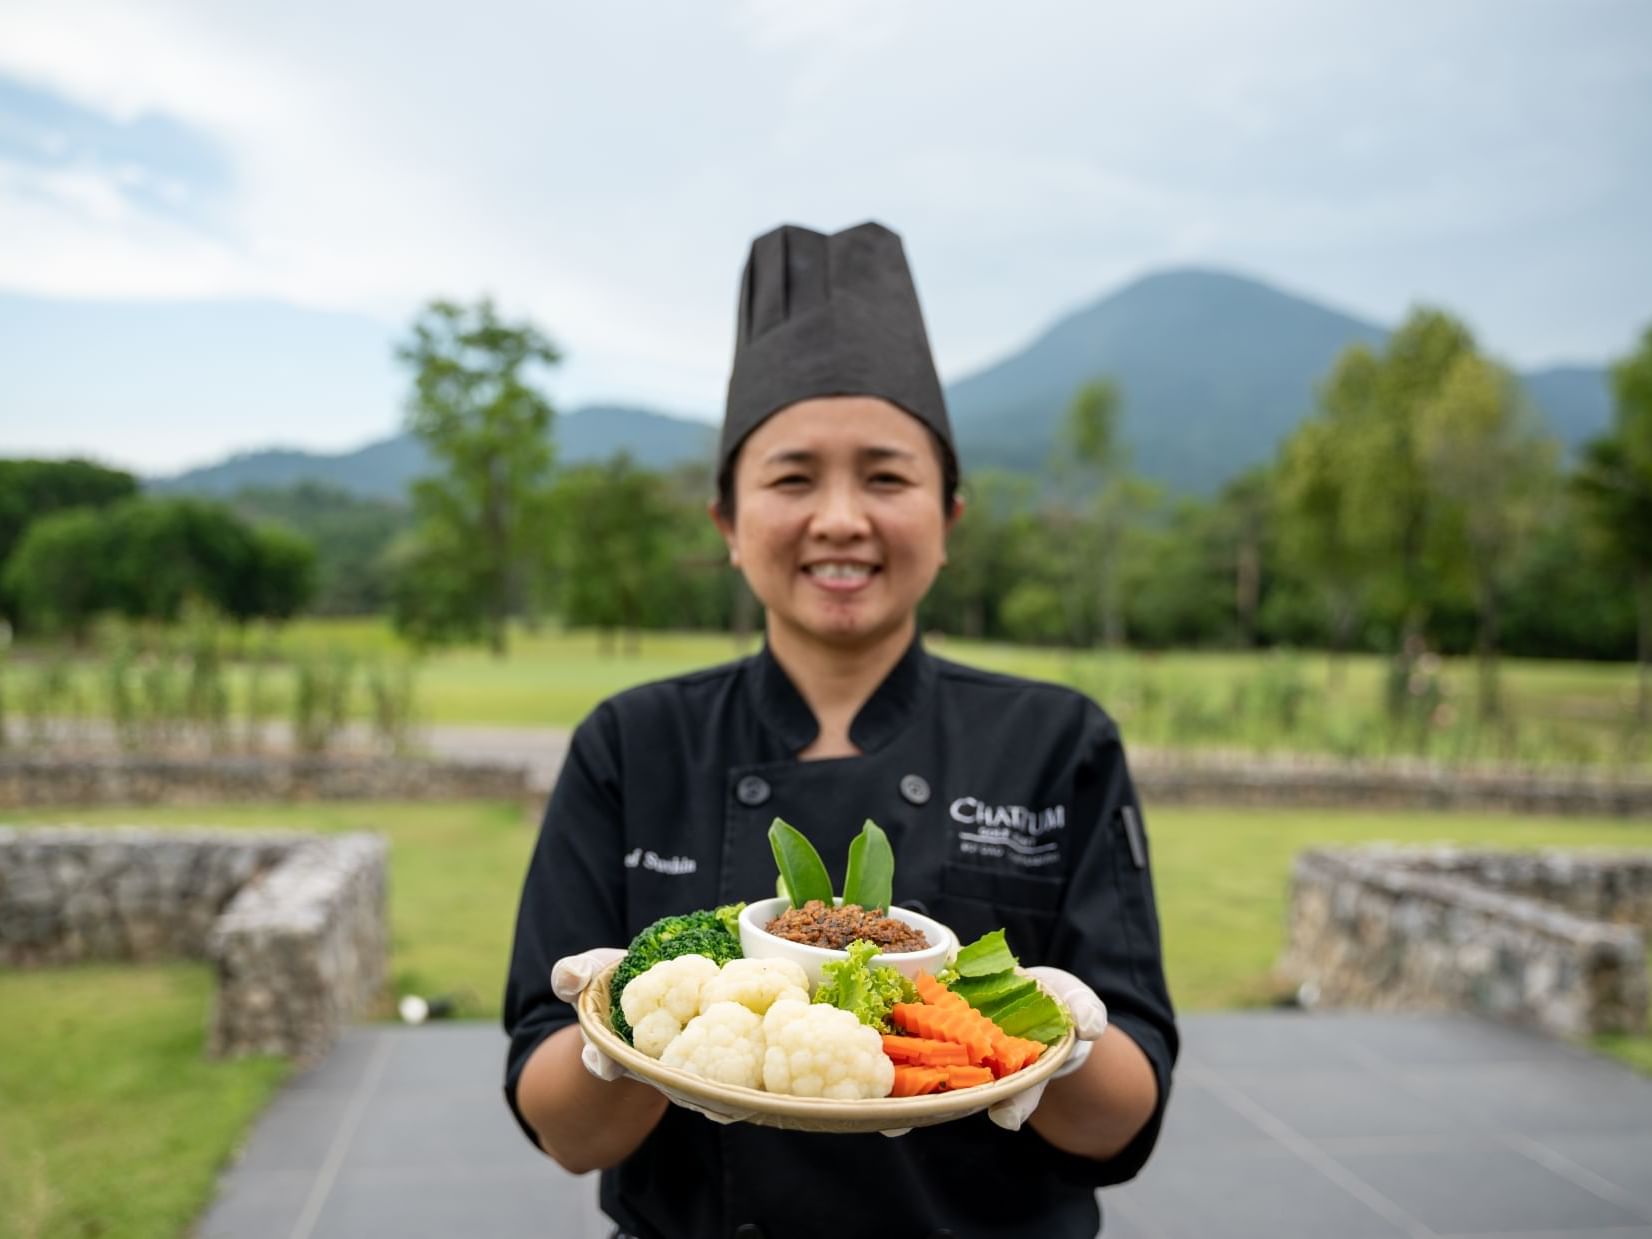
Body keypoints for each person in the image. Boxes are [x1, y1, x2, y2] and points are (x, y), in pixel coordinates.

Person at [503, 221, 1177, 1239]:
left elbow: (1124, 1118)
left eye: (885, 476)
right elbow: (564, 1131)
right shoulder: (632, 744)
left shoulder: (1055, 740)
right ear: (726, 523)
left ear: (948, 518)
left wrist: (1058, 1040)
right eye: (789, 478)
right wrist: (626, 1034)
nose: (839, 517)